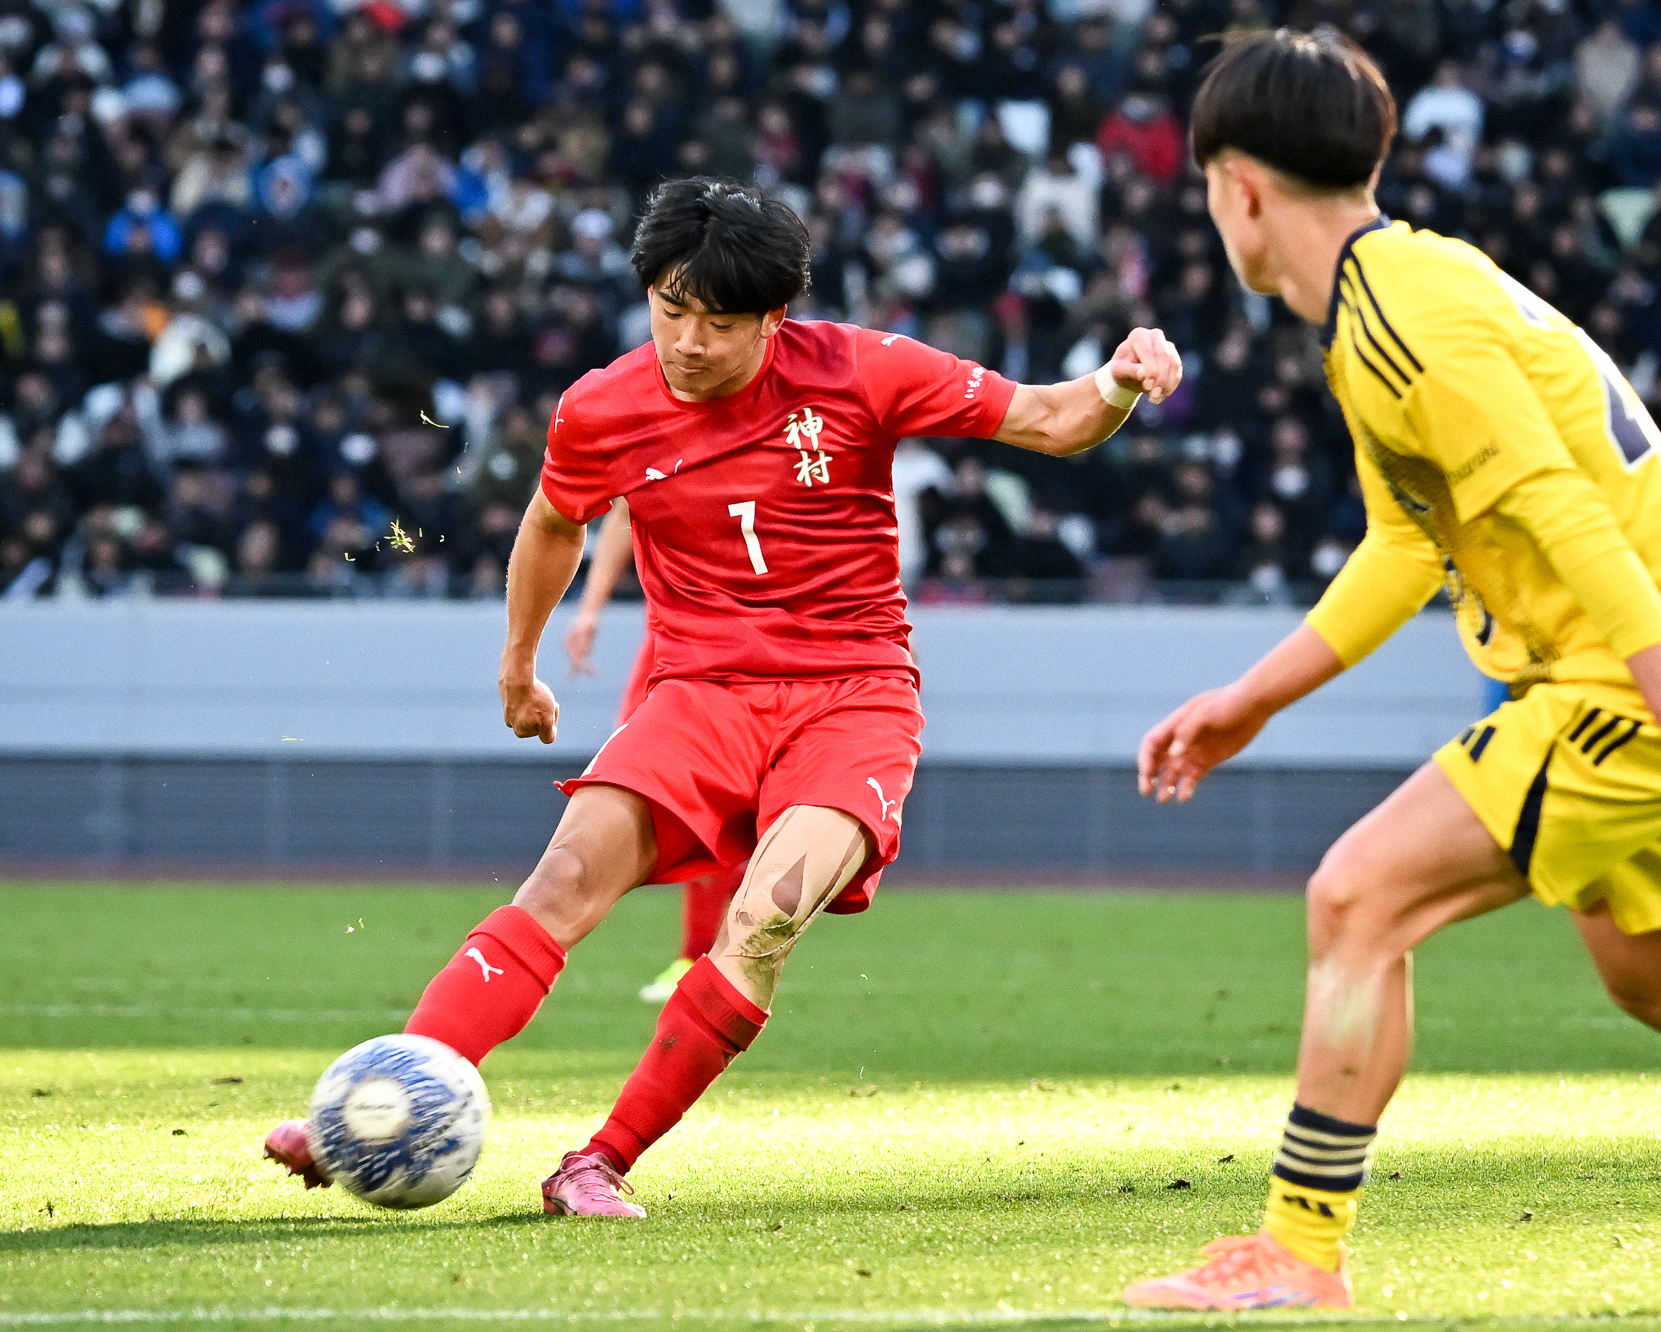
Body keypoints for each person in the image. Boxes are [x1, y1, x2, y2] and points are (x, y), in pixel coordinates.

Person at [264, 178, 1182, 1216]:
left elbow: (1050, 421)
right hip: (699, 692)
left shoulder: (860, 368)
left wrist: (1112, 380)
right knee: (561, 879)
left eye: (720, 322)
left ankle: (597, 1161)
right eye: (669, 309)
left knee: (760, 923)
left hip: (853, 698)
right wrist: (516, 665)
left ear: (774, 317)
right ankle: (378, 1107)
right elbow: (555, 522)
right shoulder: (601, 405)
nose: (689, 341)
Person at [1121, 31, 1661, 1311]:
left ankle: (1296, 1253)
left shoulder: (1401, 320)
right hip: (1650, 663)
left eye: (1203, 185)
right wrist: (1250, 699)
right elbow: (1407, 547)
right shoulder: (1395, 298)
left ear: (1237, 185)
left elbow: (1564, 512)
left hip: (1624, 679)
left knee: (1356, 899)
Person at [562, 497, 744, 1003]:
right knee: (638, 786)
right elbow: (625, 511)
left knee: (713, 803)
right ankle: (706, 951)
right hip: (673, 643)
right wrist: (590, 609)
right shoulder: (659, 432)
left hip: (749, 647)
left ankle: (701, 956)